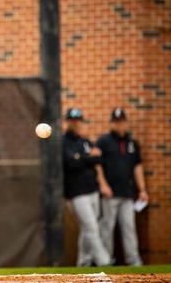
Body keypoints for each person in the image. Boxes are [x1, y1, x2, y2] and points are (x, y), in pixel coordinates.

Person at [96, 108, 148, 266]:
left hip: (127, 193)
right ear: (112, 123)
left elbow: (137, 167)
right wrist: (103, 185)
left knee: (129, 228)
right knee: (107, 228)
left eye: (122, 121)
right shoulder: (103, 141)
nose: (120, 125)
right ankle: (106, 261)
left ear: (126, 122)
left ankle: (133, 261)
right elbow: (97, 165)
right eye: (116, 122)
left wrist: (143, 189)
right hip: (109, 193)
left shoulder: (132, 143)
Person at [62, 108, 111, 267]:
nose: (75, 123)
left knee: (86, 228)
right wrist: (88, 157)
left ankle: (83, 263)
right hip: (76, 193)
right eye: (72, 120)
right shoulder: (64, 142)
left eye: (78, 120)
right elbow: (71, 162)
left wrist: (85, 158)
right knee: (91, 226)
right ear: (67, 122)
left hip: (92, 190)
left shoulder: (84, 141)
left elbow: (98, 160)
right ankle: (104, 261)